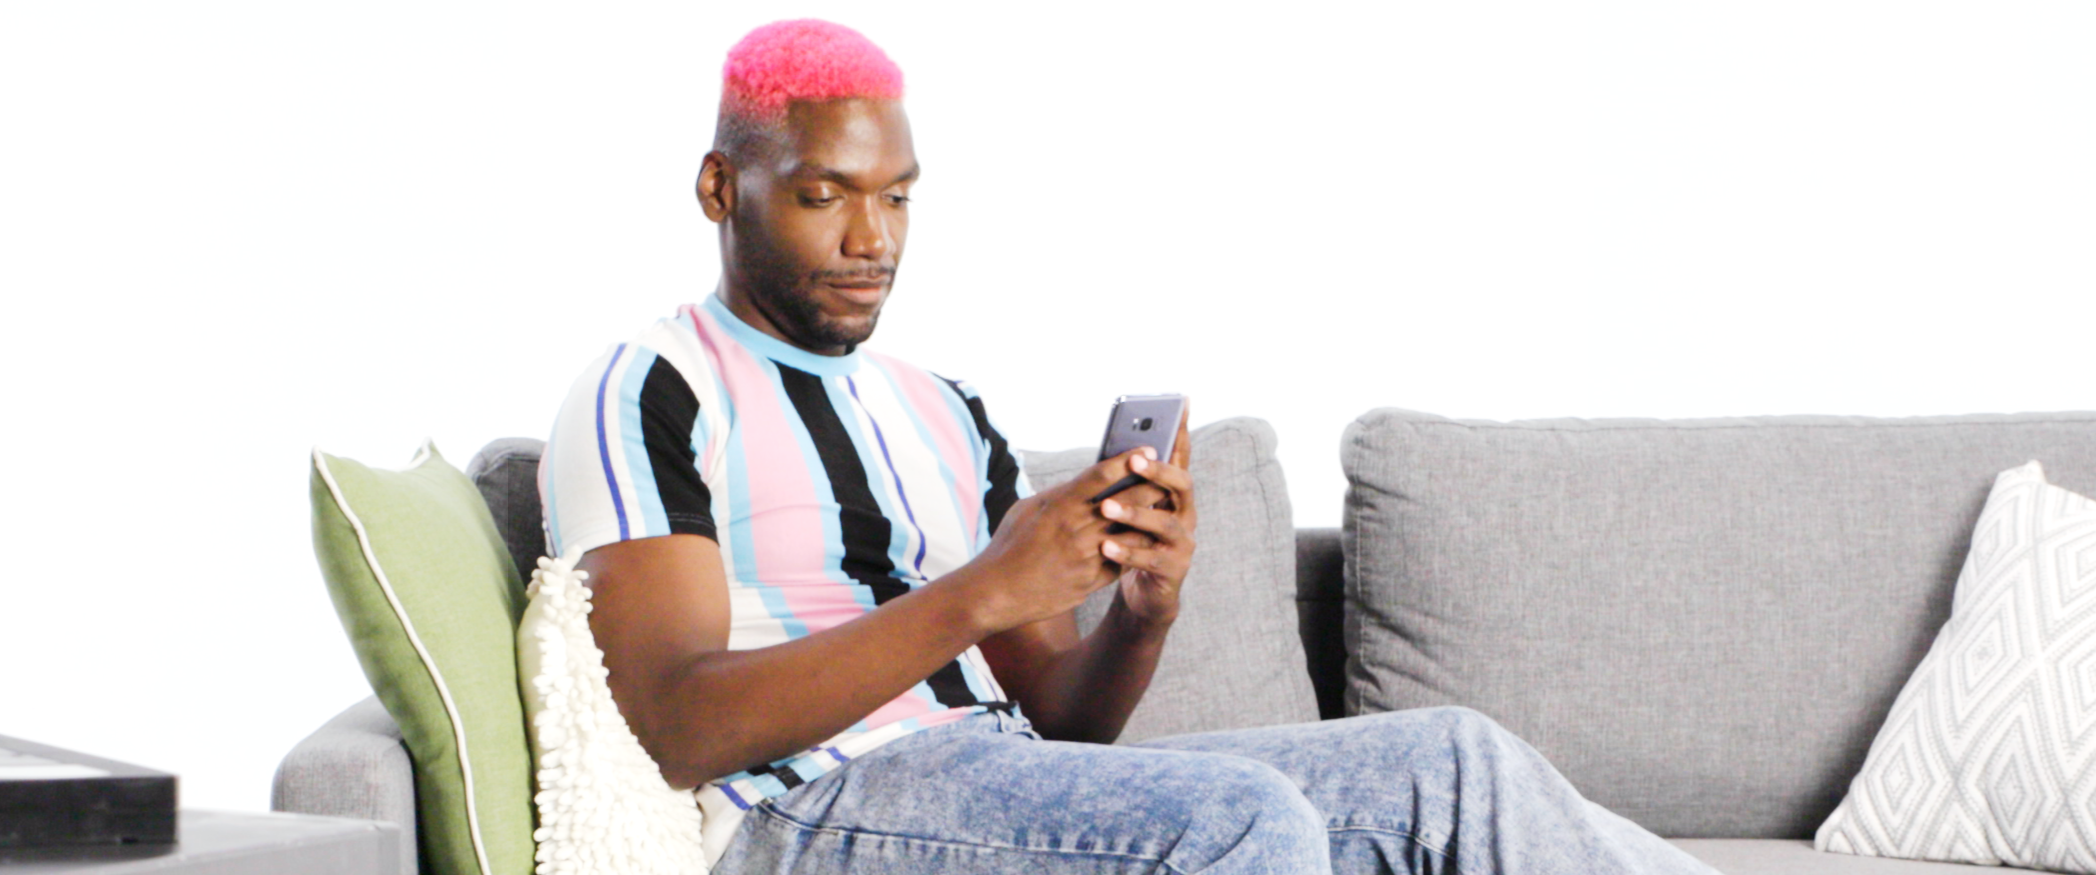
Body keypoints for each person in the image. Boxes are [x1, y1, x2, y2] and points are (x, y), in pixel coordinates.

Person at [540, 18, 1717, 875]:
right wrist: (977, 590)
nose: (871, 238)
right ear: (718, 186)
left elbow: (1059, 724)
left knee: (1453, 764)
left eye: (898, 197)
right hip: (811, 807)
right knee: (1244, 822)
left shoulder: (944, 406)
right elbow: (678, 724)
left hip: (999, 774)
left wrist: (1140, 612)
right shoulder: (654, 384)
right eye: (823, 196)